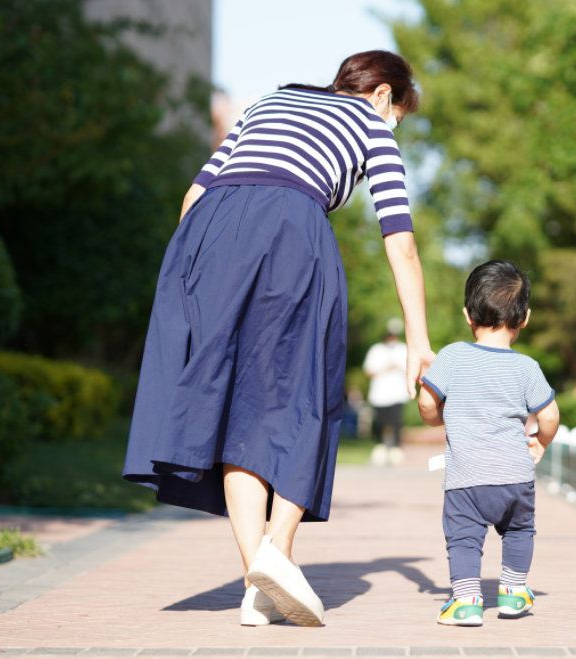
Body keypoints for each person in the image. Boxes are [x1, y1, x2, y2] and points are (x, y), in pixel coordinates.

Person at [122, 50, 435, 628]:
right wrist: (419, 339)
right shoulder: (371, 124)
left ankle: (257, 585)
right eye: (400, 116)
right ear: (384, 95)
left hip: (210, 233)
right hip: (292, 227)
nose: (395, 126)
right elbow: (400, 239)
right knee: (307, 395)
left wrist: (192, 284)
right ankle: (277, 551)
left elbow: (193, 196)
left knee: (238, 410)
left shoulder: (269, 101)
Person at [418, 260, 560, 627]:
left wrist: (439, 417)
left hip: (466, 478)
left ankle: (466, 602)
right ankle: (513, 593)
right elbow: (549, 417)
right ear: (524, 318)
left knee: (464, 539)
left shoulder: (452, 356)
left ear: (468, 314)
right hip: (516, 477)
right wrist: (539, 442)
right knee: (519, 531)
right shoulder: (527, 367)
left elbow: (427, 404)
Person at [363, 318, 410, 465]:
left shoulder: (404, 349)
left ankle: (396, 448)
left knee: (396, 422)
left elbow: (411, 370)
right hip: (380, 395)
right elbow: (368, 371)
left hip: (398, 393)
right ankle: (380, 447)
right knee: (380, 422)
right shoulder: (376, 350)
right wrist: (385, 368)